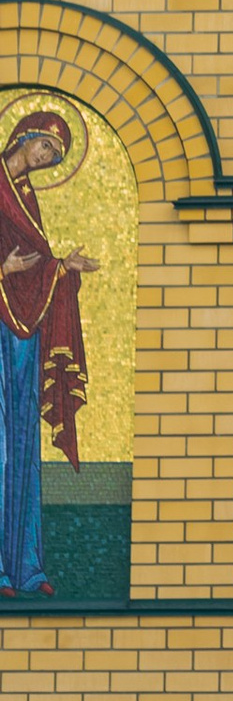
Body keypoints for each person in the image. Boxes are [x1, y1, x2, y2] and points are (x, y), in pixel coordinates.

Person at [0, 107, 91, 600]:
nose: (45, 158)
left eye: (54, 156)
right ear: (25, 135)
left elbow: (33, 260)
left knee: (21, 447)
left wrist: (62, 266)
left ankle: (26, 567)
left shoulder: (27, 197)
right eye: (45, 148)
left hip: (21, 332)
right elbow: (10, 260)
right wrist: (4, 269)